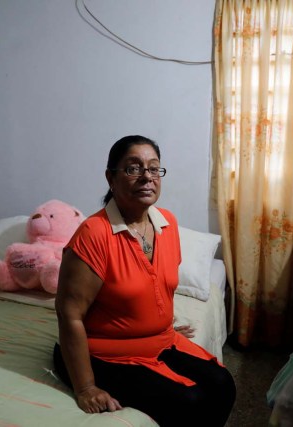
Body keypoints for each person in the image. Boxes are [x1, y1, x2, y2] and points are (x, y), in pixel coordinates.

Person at [54, 135, 236, 426]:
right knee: (189, 402)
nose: (146, 177)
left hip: (160, 340)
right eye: (133, 168)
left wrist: (159, 319)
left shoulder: (167, 223)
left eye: (153, 168)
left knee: (223, 383)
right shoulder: (94, 233)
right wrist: (86, 387)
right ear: (111, 178)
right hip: (105, 354)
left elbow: (154, 286)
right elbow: (69, 314)